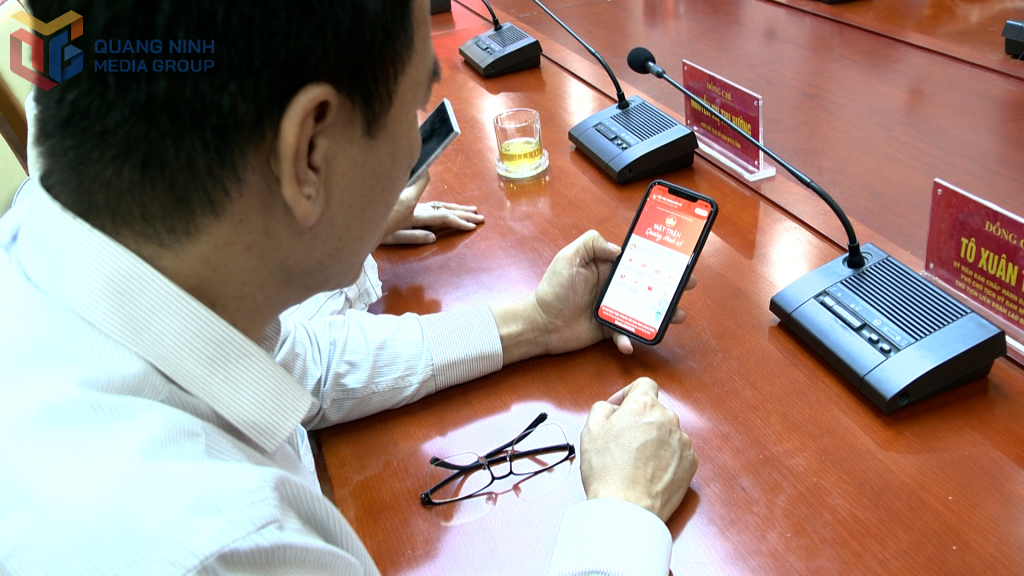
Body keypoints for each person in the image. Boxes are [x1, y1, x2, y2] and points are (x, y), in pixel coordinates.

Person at [0, 1, 698, 575]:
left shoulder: (59, 231)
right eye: (417, 100)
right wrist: (621, 519)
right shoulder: (224, 546)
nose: (415, 149)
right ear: (310, 150)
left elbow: (295, 363)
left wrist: (537, 323)